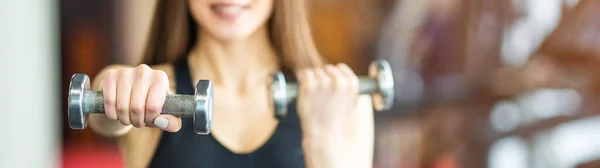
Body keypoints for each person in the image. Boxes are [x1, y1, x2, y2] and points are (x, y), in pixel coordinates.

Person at [87, 0, 374, 168]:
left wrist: (323, 136)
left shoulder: (344, 97)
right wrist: (114, 89)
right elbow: (103, 111)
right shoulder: (147, 89)